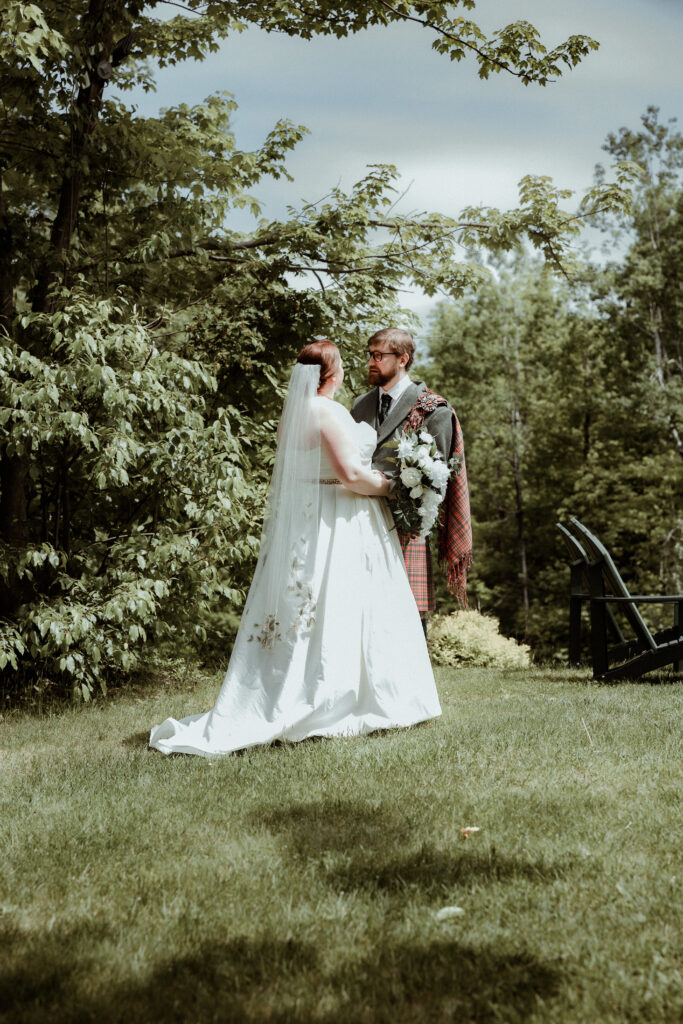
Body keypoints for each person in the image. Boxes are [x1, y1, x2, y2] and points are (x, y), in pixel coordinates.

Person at [149, 339, 441, 757]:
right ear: (331, 374)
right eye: (342, 364)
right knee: (341, 604)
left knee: (306, 604)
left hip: (306, 515)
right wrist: (401, 485)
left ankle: (294, 683)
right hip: (339, 518)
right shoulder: (329, 412)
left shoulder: (294, 414)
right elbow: (353, 476)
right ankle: (340, 696)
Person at [351, 327, 472, 629]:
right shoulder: (360, 405)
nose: (371, 361)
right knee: (363, 609)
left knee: (405, 616)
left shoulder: (434, 408)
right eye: (370, 354)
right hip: (358, 518)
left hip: (407, 525)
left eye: (379, 355)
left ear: (403, 359)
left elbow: (438, 478)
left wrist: (385, 486)